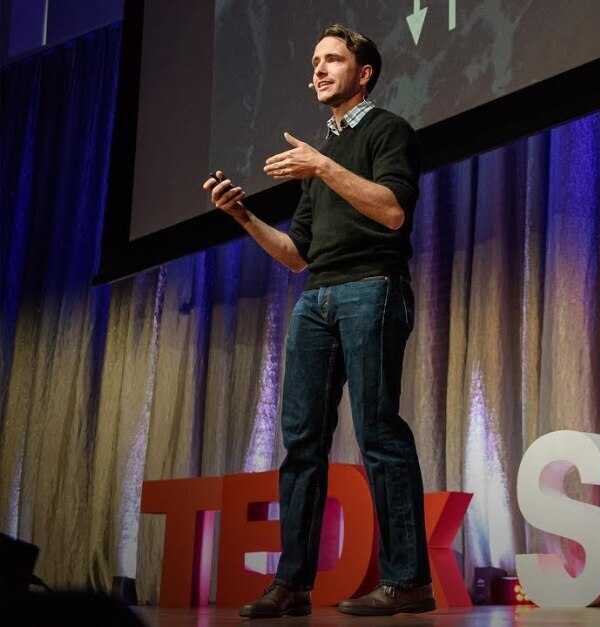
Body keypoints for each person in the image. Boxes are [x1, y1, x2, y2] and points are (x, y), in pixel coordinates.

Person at [202, 23, 433, 618]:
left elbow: (392, 212)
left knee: (378, 432)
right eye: (314, 62)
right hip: (317, 298)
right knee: (302, 441)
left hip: (372, 286)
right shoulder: (319, 157)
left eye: (332, 59)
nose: (319, 70)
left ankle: (408, 580)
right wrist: (242, 215)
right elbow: (295, 255)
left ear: (364, 73)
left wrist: (322, 166)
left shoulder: (387, 131)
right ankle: (293, 584)